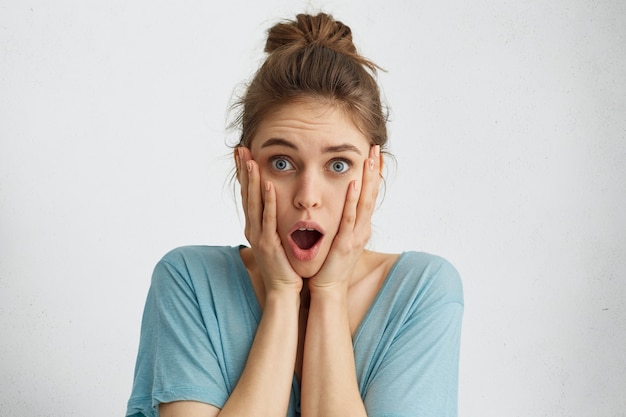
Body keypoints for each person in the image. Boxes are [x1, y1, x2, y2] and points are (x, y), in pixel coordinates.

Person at [126, 12, 463, 417]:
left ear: (373, 173)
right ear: (243, 169)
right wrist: (283, 295)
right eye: (282, 163)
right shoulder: (188, 280)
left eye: (338, 165)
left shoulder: (422, 292)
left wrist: (329, 293)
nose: (307, 198)